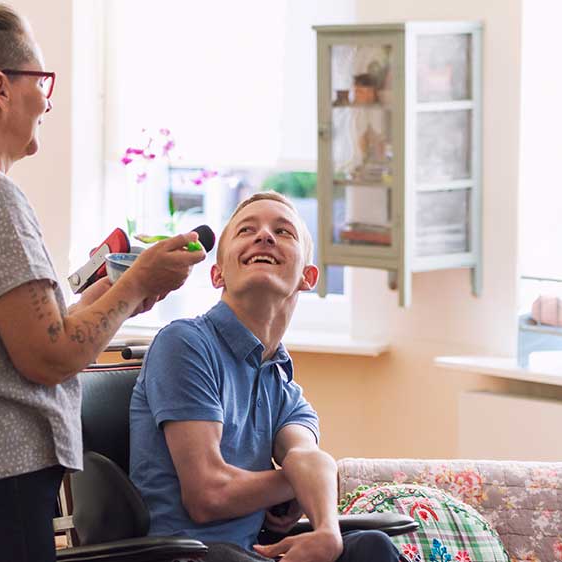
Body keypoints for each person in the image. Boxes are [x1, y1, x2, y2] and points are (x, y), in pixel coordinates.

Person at [0, 4, 205, 562]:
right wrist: (134, 284)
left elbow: (23, 337)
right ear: (0, 87)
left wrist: (117, 294)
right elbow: (50, 357)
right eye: (42, 81)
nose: (48, 101)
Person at [129, 192, 401, 562]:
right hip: (190, 556)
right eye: (246, 230)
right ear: (217, 274)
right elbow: (207, 496)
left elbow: (309, 457)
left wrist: (326, 531)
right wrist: (298, 483)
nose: (265, 236)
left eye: (283, 231)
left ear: (307, 277)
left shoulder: (284, 387)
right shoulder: (184, 343)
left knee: (373, 546)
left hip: (253, 552)